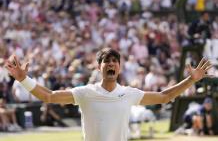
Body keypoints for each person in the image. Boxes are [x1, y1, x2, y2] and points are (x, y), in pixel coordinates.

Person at [5, 48, 212, 141]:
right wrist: (23, 78)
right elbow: (49, 96)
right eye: (107, 61)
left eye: (115, 61)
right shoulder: (85, 92)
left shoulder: (130, 93)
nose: (111, 63)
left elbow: (165, 96)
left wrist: (192, 79)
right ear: (99, 67)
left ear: (120, 67)